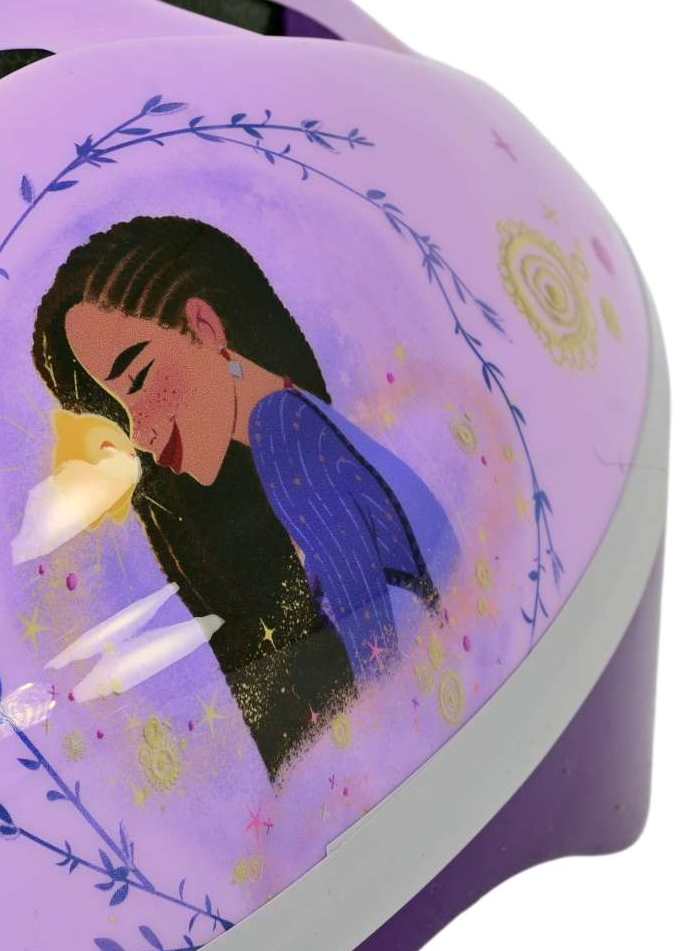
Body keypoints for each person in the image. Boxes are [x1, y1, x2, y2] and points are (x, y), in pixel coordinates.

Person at [32, 215, 457, 778]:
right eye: (118, 412)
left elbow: (382, 662)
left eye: (137, 380)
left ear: (205, 326)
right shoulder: (299, 426)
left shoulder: (287, 433)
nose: (142, 431)